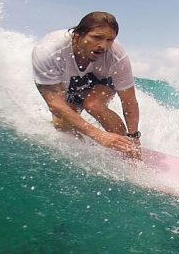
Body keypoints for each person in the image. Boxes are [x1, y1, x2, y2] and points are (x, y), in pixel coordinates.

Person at [32, 11, 141, 158]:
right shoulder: (48, 51)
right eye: (97, 37)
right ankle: (86, 149)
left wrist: (134, 137)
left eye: (110, 40)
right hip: (68, 83)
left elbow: (129, 101)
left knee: (94, 104)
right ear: (77, 35)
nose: (103, 45)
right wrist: (98, 135)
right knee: (61, 123)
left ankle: (126, 150)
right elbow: (55, 103)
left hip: (102, 80)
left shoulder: (117, 56)